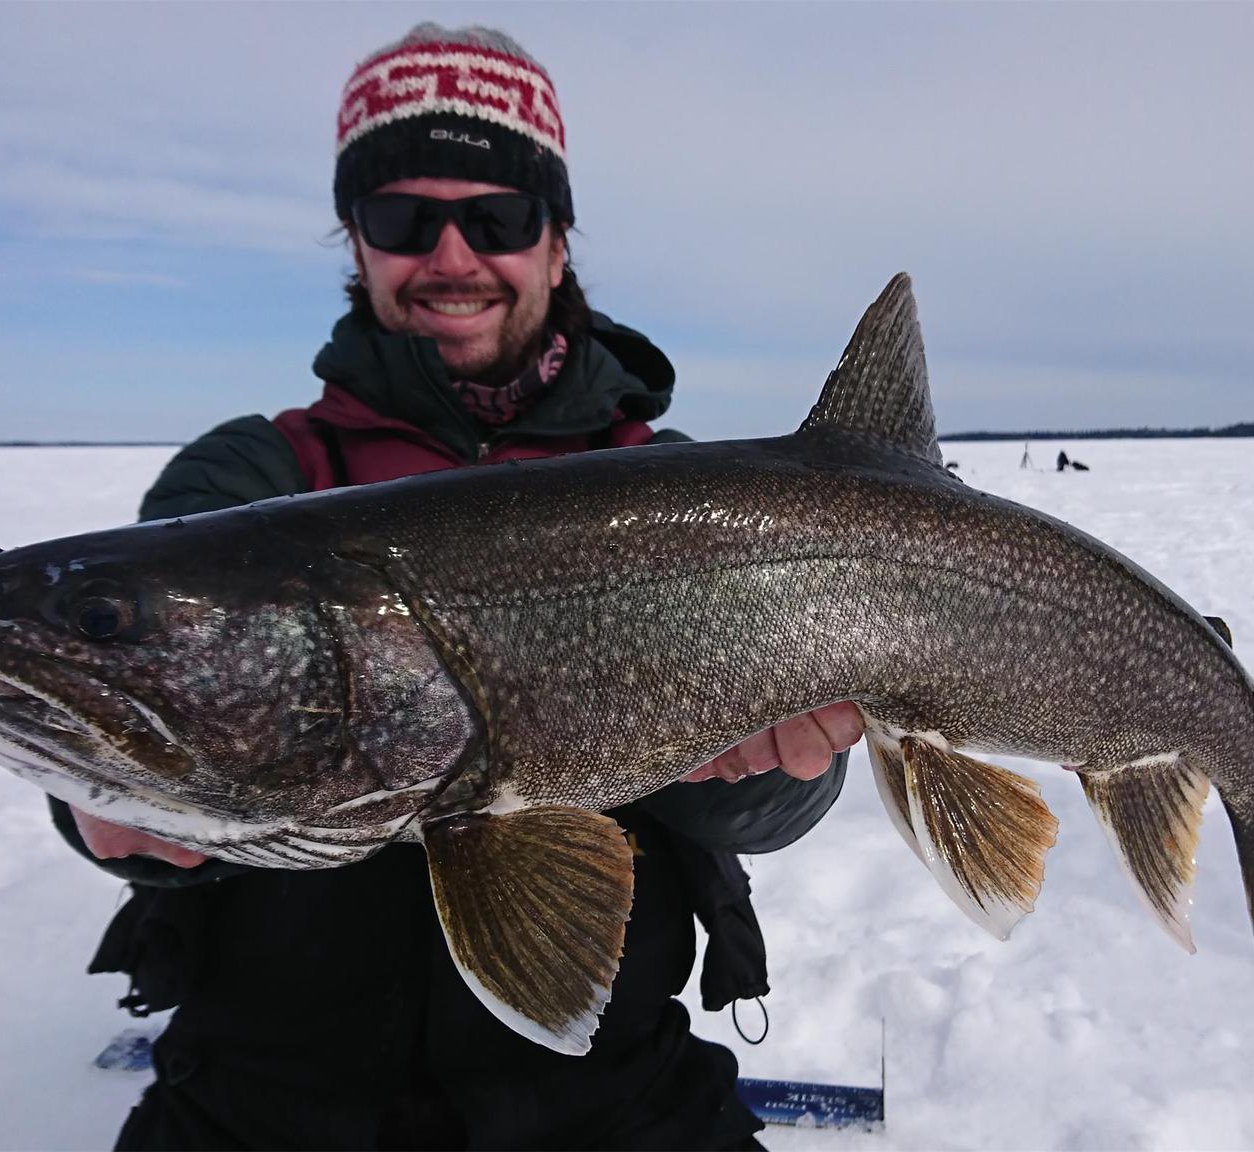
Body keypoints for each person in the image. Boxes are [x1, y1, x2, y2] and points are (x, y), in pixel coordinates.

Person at [49, 23, 860, 1151]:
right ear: (356, 241)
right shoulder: (252, 481)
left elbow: (774, 813)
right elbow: (128, 686)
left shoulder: (688, 502)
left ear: (556, 243)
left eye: (497, 217)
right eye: (402, 218)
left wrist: (760, 766)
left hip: (613, 1094)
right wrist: (111, 812)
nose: (450, 255)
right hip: (264, 1096)